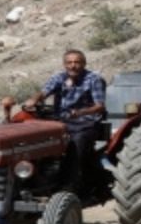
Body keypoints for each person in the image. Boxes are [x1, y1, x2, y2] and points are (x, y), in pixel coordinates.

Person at [26, 49, 106, 190]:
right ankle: (36, 177)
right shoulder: (59, 78)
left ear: (84, 63)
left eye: (77, 62)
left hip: (86, 122)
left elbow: (99, 106)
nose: (73, 66)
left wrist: (80, 112)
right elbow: (44, 92)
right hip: (61, 121)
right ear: (64, 64)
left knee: (76, 143)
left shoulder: (94, 79)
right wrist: (34, 100)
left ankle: (71, 183)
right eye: (69, 62)